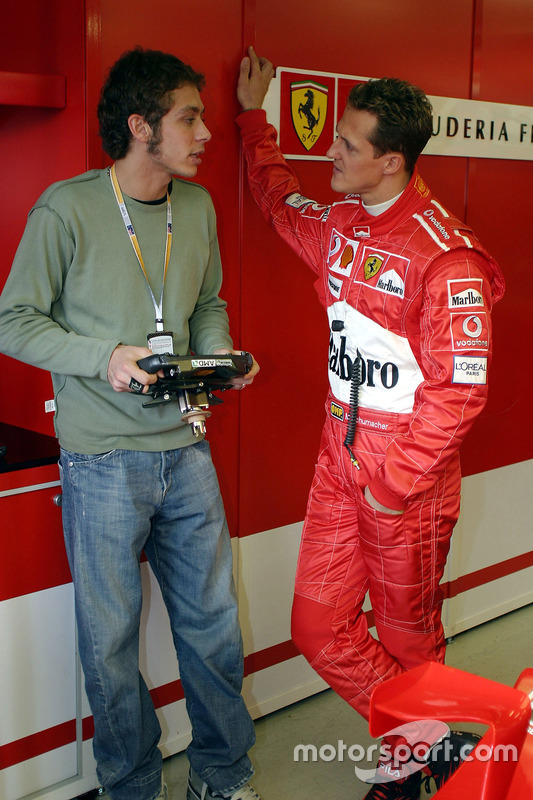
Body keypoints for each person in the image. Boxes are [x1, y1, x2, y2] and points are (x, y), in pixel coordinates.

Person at [236, 47, 504, 799]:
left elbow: (459, 393)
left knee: (407, 637)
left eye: (348, 144)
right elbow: (278, 201)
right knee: (318, 628)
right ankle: (431, 741)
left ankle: (404, 770)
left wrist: (391, 485)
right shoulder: (342, 222)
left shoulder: (446, 259)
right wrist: (253, 120)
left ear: (391, 161)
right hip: (336, 457)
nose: (332, 150)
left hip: (404, 479)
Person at [0, 47, 263, 800]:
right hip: (103, 459)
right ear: (141, 125)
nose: (206, 131)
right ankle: (130, 786)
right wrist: (104, 356)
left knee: (212, 630)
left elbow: (206, 302)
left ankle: (221, 777)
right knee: (110, 645)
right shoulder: (67, 207)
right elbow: (12, 320)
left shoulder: (199, 206)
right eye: (190, 117)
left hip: (186, 450)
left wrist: (216, 359)